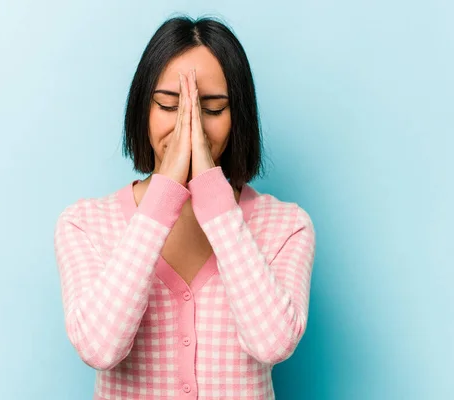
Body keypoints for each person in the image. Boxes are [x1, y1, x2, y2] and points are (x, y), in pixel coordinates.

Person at [54, 15, 316, 400]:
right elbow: (99, 348)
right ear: (143, 108)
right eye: (168, 104)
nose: (187, 128)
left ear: (237, 117)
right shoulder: (85, 225)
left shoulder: (287, 226)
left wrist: (213, 194)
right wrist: (163, 195)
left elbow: (272, 344)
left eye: (210, 109)